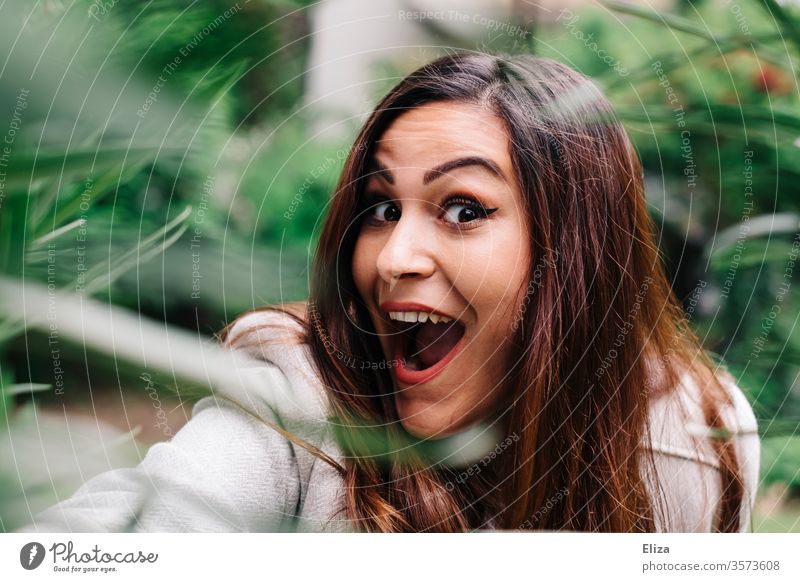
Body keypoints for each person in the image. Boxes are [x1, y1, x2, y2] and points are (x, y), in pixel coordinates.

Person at [18, 52, 759, 533]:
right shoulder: (299, 403)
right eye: (380, 208)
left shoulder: (696, 436)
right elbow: (144, 524)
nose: (393, 256)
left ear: (576, 254)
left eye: (464, 208)